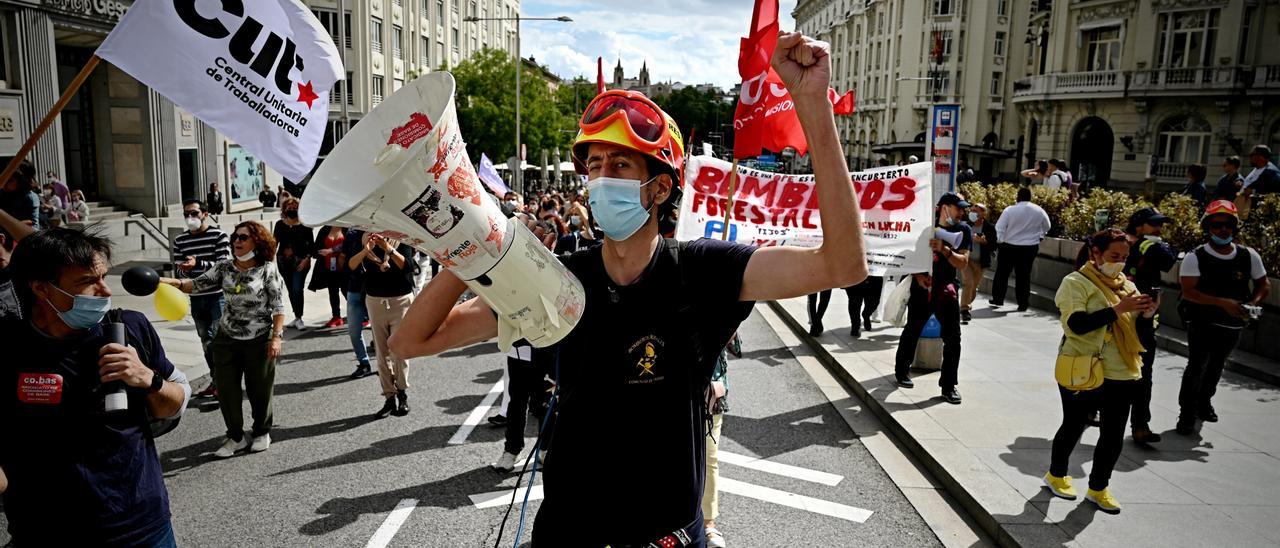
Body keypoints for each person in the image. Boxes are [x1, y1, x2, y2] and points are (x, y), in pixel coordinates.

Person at [389, 32, 868, 547]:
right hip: (569, 534)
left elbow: (842, 265)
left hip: (664, 538)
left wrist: (812, 105)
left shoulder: (702, 272)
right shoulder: (557, 277)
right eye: (593, 166)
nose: (600, 179)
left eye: (619, 166)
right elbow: (411, 342)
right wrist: (470, 248)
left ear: (659, 188)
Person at [1, 228, 191, 545]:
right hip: (45, 531)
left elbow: (175, 403)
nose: (105, 291)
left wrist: (149, 380)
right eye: (88, 281)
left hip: (142, 528)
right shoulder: (9, 347)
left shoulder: (129, 327)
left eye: (104, 276)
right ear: (40, 288)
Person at [1044, 229, 1155, 515]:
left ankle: (1098, 488)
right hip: (1083, 367)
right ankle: (1056, 475)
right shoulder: (1075, 282)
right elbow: (1076, 325)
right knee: (1074, 424)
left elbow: (1142, 337)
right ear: (1096, 253)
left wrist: (1145, 315)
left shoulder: (1128, 287)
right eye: (1114, 256)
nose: (1119, 262)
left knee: (1113, 434)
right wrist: (1118, 309)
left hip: (1123, 371)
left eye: (1124, 257)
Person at [161, 221, 286, 457]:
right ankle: (236, 436)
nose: (236, 242)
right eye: (235, 237)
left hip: (259, 339)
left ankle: (261, 431)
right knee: (226, 389)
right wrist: (171, 283)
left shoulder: (267, 270)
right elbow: (196, 285)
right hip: (226, 339)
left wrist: (277, 338)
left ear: (257, 242)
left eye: (243, 237)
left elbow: (278, 307)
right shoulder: (224, 268)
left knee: (259, 388)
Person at [1175, 200, 1270, 434]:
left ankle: (1204, 403)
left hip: (1233, 324)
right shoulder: (1195, 257)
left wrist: (1252, 304)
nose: (1223, 230)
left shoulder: (1249, 255)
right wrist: (1221, 303)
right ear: (1208, 228)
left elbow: (1263, 284)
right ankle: (1186, 413)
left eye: (1227, 225)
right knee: (1196, 365)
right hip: (1201, 321)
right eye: (1217, 225)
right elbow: (1189, 291)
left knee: (1217, 365)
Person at [894, 192, 971, 404]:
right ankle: (902, 371)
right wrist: (918, 276)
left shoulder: (963, 230)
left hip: (946, 290)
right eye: (958, 208)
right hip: (923, 288)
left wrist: (945, 250)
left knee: (953, 338)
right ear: (945, 207)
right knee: (912, 330)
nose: (962, 212)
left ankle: (948, 385)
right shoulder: (924, 227)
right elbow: (910, 256)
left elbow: (963, 262)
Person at [1120, 208, 1176, 444]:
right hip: (1118, 316)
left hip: (1144, 317)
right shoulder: (1126, 244)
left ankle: (1140, 425)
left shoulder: (1151, 246)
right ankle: (1090, 408)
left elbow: (1167, 263)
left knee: (1144, 372)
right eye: (1154, 224)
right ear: (1139, 225)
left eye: (1161, 224)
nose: (1159, 229)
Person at [350, 232, 416, 418]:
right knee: (381, 352)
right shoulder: (364, 240)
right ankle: (389, 397)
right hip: (375, 300)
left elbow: (408, 266)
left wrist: (389, 249)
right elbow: (351, 265)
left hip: (400, 300)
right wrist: (366, 251)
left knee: (399, 350)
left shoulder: (400, 237)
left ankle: (402, 393)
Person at [173, 199, 232, 399]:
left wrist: (198, 263)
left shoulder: (219, 235)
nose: (190, 218)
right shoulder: (180, 241)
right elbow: (178, 267)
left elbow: (223, 265)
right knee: (206, 341)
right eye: (186, 214)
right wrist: (185, 268)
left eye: (194, 213)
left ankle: (224, 382)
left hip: (217, 296)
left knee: (219, 339)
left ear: (205, 214)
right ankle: (216, 380)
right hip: (196, 297)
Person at [991, 187, 1052, 311]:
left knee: (1002, 273)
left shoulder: (1009, 210)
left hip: (1009, 246)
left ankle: (998, 299)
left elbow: (999, 228)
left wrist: (999, 242)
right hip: (1029, 247)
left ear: (1017, 197)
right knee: (1024, 276)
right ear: (1030, 197)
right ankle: (1023, 303)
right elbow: (1047, 225)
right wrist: (1040, 235)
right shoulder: (1039, 210)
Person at [273, 198, 314, 330]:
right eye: (289, 207)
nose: (292, 209)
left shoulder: (305, 225)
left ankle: (300, 318)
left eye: (295, 207)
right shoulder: (279, 224)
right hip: (283, 263)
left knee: (297, 288)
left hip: (301, 262)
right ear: (284, 209)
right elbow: (274, 243)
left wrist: (306, 260)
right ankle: (296, 317)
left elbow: (311, 246)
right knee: (291, 290)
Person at [341, 228, 373, 379]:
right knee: (354, 331)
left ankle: (386, 363)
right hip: (354, 288)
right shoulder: (352, 234)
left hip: (377, 290)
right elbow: (348, 263)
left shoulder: (382, 232)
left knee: (381, 332)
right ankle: (364, 363)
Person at [960, 203, 996, 323]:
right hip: (967, 260)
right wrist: (970, 239)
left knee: (974, 288)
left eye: (976, 211)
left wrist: (984, 242)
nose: (973, 213)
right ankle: (965, 310)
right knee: (968, 283)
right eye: (971, 210)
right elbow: (958, 240)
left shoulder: (989, 228)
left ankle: (966, 304)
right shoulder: (965, 226)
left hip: (981, 262)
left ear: (983, 213)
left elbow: (994, 245)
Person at [309, 225, 348, 328]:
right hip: (329, 266)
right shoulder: (325, 229)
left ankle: (362, 314)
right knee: (333, 292)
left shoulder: (347, 228)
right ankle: (336, 317)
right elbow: (316, 249)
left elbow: (349, 244)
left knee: (346, 291)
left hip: (345, 267)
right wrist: (321, 252)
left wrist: (332, 250)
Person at [1, 161, 40, 230]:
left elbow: (34, 228)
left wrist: (16, 226)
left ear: (22, 182)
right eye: (5, 177)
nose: (5, 182)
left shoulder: (30, 197)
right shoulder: (2, 193)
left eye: (10, 180)